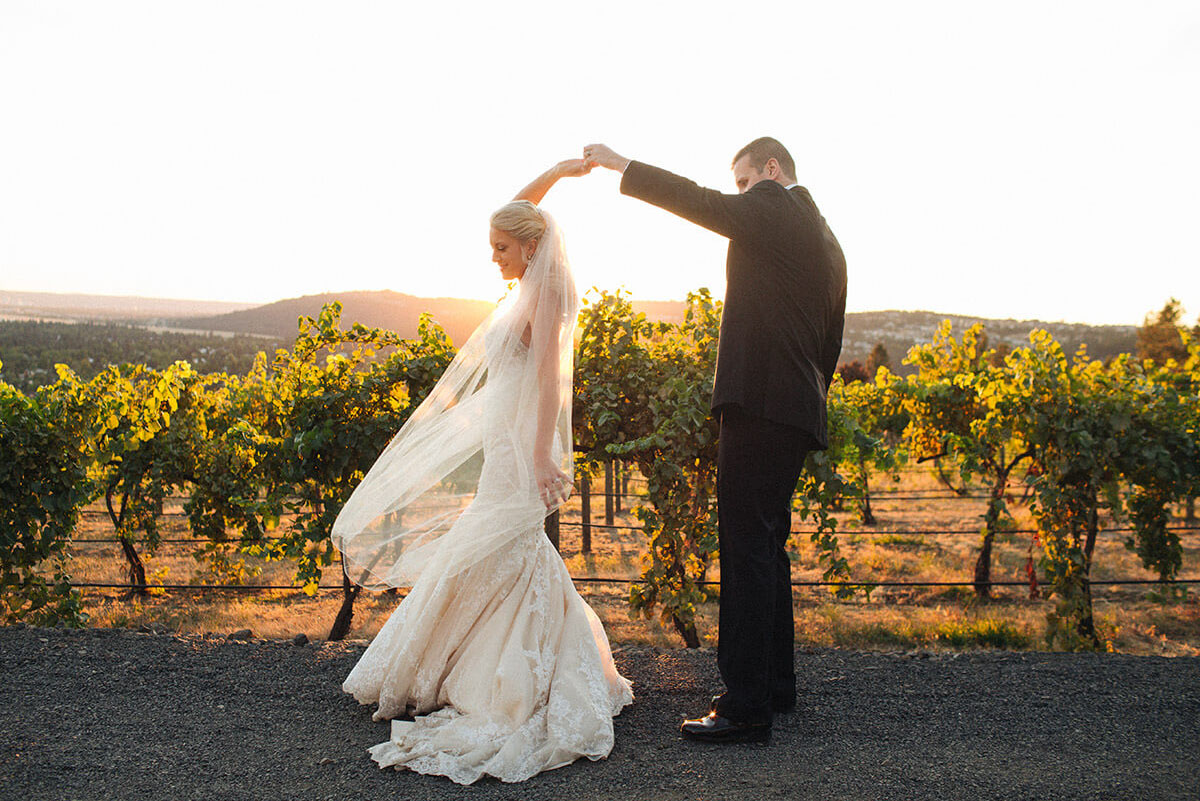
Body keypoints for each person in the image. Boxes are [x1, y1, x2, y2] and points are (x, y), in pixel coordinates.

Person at [331, 159, 633, 784]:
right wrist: (561, 171)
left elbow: (550, 375)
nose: (493, 257)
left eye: (501, 248)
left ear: (529, 247)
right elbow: (519, 212)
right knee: (501, 545)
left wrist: (543, 453)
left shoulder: (546, 291)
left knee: (509, 544)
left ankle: (508, 676)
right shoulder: (529, 269)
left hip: (524, 443)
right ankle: (469, 662)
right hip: (505, 439)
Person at [584, 138, 846, 744]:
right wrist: (804, 401)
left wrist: (625, 167)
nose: (738, 195)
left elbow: (702, 204)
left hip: (760, 401)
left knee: (746, 548)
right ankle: (776, 687)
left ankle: (745, 706)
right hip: (796, 407)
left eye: (743, 181)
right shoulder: (828, 241)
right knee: (768, 547)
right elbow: (829, 344)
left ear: (771, 172)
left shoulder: (776, 206)